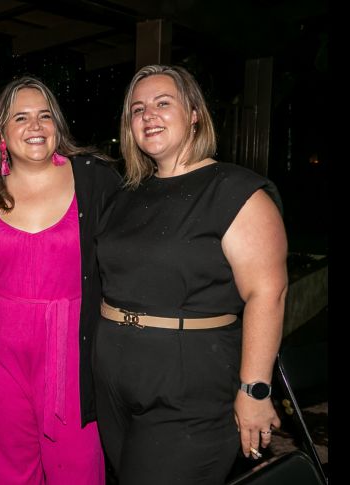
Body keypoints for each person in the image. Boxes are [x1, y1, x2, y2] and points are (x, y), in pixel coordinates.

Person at [93, 64, 287, 485]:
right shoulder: (126, 195)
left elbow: (267, 292)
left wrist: (255, 388)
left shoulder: (234, 191)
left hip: (189, 383)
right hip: (112, 375)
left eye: (164, 103)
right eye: (138, 109)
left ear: (194, 113)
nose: (149, 115)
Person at [0, 75, 121, 484]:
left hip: (71, 358)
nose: (35, 126)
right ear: (1, 132)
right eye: (21, 117)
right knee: (6, 472)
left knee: (78, 470)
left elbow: (134, 253)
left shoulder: (95, 180)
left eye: (44, 116)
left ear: (57, 127)